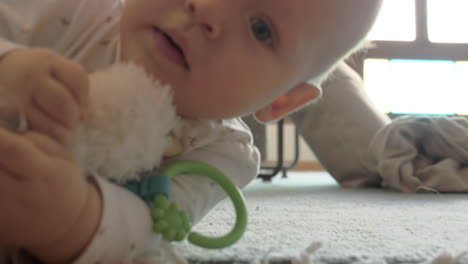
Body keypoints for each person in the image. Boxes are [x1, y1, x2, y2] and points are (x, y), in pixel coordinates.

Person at [0, 0, 382, 263]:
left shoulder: (221, 155)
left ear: (281, 101)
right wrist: (10, 67)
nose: (206, 9)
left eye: (260, 28)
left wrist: (72, 220)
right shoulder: (72, 11)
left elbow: (148, 232)